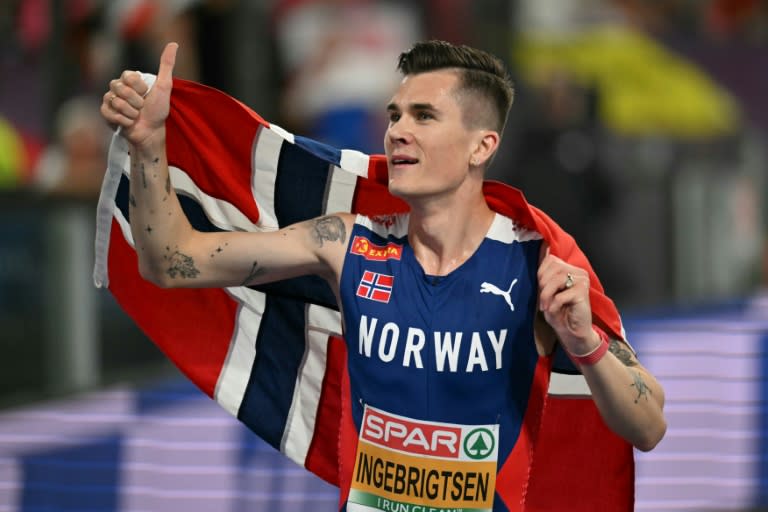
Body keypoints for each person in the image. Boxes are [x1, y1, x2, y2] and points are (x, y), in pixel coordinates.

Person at [101, 40, 666, 510]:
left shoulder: (532, 265)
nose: (397, 130)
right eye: (395, 114)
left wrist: (584, 342)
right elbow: (170, 261)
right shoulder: (347, 243)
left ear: (482, 146)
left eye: (424, 116)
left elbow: (648, 426)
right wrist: (149, 146)